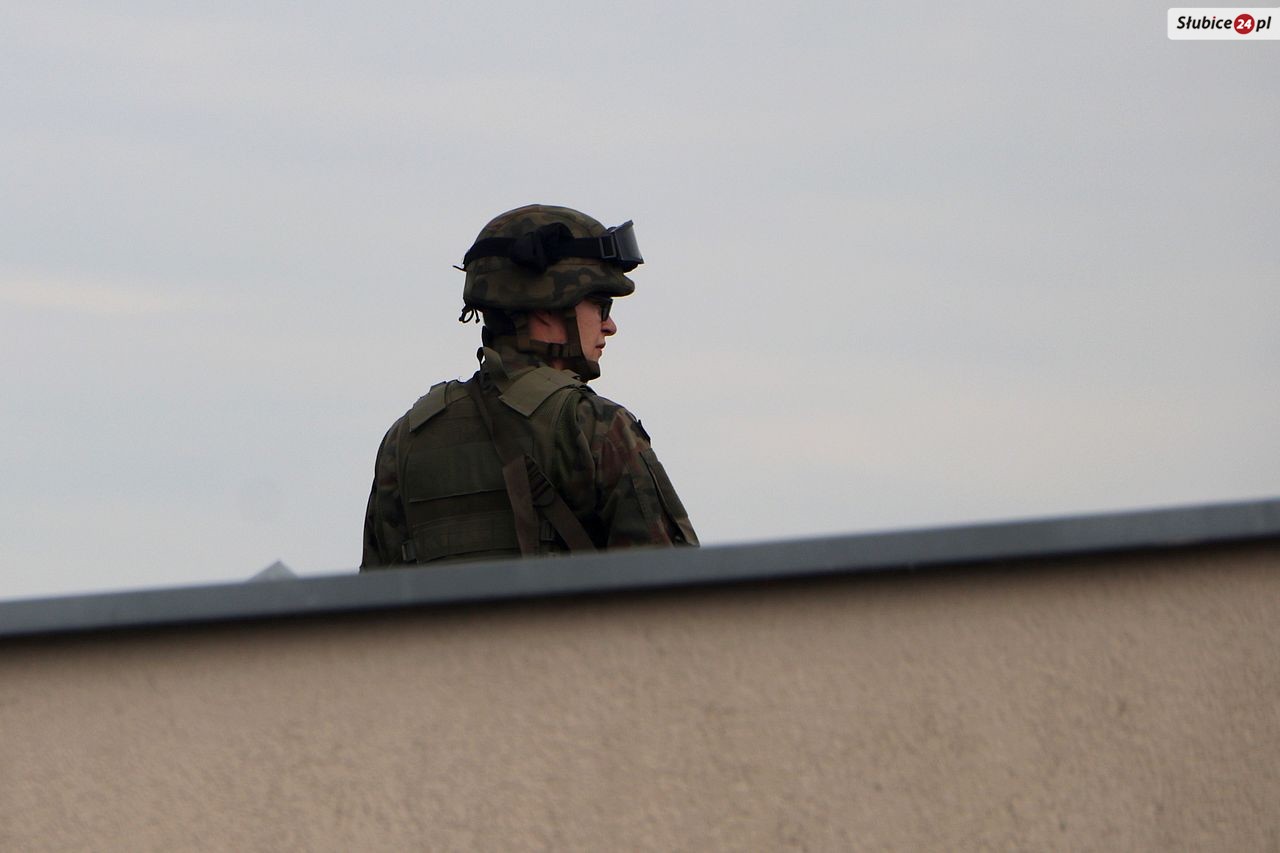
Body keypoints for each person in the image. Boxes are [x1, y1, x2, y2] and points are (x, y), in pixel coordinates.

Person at [361, 204, 698, 569]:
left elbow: (375, 593)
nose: (610, 326)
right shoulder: (594, 426)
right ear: (547, 308)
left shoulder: (406, 438)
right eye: (600, 306)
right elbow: (671, 583)